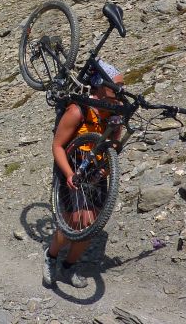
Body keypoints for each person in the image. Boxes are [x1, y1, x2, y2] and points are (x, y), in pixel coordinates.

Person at [42, 59, 124, 288]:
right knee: (74, 222)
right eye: (115, 87)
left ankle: (68, 267)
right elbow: (57, 146)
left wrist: (107, 170)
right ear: (100, 87)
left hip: (96, 169)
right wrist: (68, 174)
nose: (121, 92)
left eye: (122, 87)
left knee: (91, 225)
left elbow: (114, 147)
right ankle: (51, 256)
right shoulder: (78, 110)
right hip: (73, 165)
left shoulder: (114, 112)